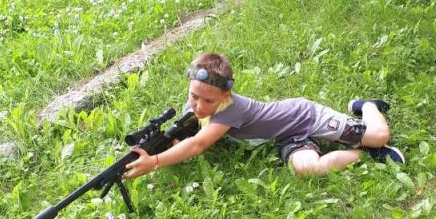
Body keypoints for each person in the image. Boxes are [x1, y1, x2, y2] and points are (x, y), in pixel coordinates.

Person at [124, 53, 404, 181]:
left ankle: (367, 107)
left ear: (225, 96)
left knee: (380, 136)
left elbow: (198, 144)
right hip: (286, 138)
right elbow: (191, 136)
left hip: (305, 117)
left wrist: (156, 162)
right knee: (307, 169)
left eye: (208, 101)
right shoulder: (198, 107)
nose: (198, 106)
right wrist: (171, 146)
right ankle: (363, 154)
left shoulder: (232, 110)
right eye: (194, 96)